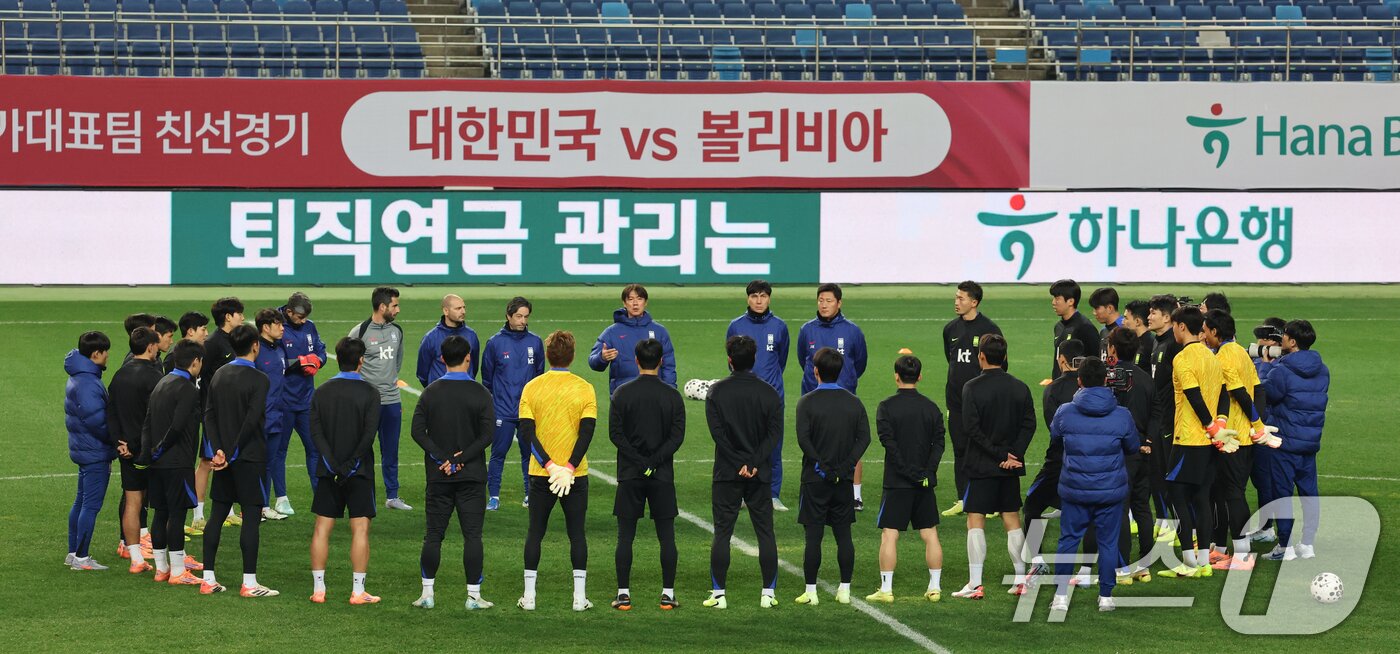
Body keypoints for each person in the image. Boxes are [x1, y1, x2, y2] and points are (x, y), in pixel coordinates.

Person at [409, 335, 496, 611]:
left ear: (442, 359)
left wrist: (443, 458)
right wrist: (462, 459)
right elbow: (487, 435)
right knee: (473, 536)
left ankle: (427, 595)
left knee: (433, 535)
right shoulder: (480, 392)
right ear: (469, 357)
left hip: (439, 476)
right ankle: (473, 596)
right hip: (471, 476)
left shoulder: (430, 392)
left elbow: (416, 432)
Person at [1046, 357, 1139, 614]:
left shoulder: (1065, 411)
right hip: (1109, 489)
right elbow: (1132, 447)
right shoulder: (1122, 415)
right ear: (1106, 380)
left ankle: (1061, 596)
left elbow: (1055, 437)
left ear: (1079, 381)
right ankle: (1106, 596)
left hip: (1075, 487)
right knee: (1108, 543)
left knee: (1068, 540)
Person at [517, 331, 598, 612]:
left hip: (541, 475)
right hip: (575, 475)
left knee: (535, 533)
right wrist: (569, 467)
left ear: (547, 355)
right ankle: (579, 598)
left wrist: (550, 467)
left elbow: (527, 433)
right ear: (573, 356)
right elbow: (586, 433)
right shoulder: (585, 387)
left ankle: (529, 598)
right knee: (577, 534)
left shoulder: (532, 387)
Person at [703, 335, 784, 610]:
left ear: (729, 361)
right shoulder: (770, 393)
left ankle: (718, 595)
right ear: (754, 359)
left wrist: (739, 462)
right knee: (765, 533)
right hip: (759, 474)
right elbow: (774, 436)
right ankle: (768, 594)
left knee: (722, 532)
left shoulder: (716, 392)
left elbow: (718, 435)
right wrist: (753, 462)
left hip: (727, 471)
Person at [952, 334, 1035, 600]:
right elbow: (1029, 424)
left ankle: (975, 584)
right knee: (1011, 519)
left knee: (975, 520)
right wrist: (1014, 454)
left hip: (982, 465)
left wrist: (998, 454)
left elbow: (972, 430)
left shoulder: (971, 387)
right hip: (1009, 467)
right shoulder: (1020, 387)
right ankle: (1021, 579)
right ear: (1005, 357)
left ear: (981, 357)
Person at [1157, 307, 1236, 579]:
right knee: (1202, 496)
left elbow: (1192, 395)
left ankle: (1189, 562)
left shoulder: (1182, 358)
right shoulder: (1212, 356)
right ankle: (1203, 561)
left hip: (1188, 438)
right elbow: (1224, 393)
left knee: (1175, 494)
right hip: (1209, 441)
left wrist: (1209, 424)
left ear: (1180, 327)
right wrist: (1220, 424)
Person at [608, 339, 686, 611]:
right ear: (661, 361)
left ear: (637, 360)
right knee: (666, 536)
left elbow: (616, 435)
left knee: (625, 536)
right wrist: (654, 461)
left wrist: (640, 461)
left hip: (630, 474)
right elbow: (677, 437)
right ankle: (667, 594)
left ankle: (624, 594)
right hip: (662, 474)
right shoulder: (672, 395)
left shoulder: (621, 393)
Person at [308, 337, 387, 606]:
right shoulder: (370, 392)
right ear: (361, 360)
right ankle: (358, 591)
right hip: (359, 471)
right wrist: (351, 464)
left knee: (322, 528)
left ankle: (319, 589)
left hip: (328, 470)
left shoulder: (322, 391)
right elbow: (369, 434)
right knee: (360, 529)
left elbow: (315, 432)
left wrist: (332, 464)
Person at [202, 324, 277, 597]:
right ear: (255, 345)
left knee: (217, 515)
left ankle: (208, 578)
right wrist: (232, 453)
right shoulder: (259, 379)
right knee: (251, 516)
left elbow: (208, 415)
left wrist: (218, 450)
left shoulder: (219, 374)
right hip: (248, 457)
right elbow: (251, 420)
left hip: (223, 458)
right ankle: (249, 583)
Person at [1203, 310, 1279, 572]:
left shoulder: (1223, 357)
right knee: (1225, 492)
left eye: (1205, 331)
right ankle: (1225, 550)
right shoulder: (1241, 353)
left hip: (1232, 437)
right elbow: (1258, 389)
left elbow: (1240, 395)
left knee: (1232, 494)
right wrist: (1254, 426)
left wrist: (1256, 424)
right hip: (1243, 435)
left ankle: (1243, 555)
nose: (1204, 336)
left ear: (1214, 332)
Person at [793, 347, 871, 607]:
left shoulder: (807, 402)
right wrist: (846, 466)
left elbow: (803, 439)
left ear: (815, 371)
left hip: (815, 480)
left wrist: (821, 465)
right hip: (844, 481)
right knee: (843, 535)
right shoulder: (854, 402)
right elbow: (864, 439)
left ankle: (811, 592)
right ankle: (845, 590)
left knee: (813, 537)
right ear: (840, 372)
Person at [866, 354, 946, 604]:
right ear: (919, 376)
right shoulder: (931, 407)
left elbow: (889, 444)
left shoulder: (886, 407)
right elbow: (939, 443)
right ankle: (935, 588)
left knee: (890, 534)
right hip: (923, 481)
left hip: (897, 482)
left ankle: (886, 589)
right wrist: (927, 472)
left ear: (896, 376)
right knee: (930, 533)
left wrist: (908, 472)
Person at [1259, 320, 1328, 562]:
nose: (1282, 340)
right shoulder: (1323, 369)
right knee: (1309, 494)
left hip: (1284, 441)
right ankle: (1307, 544)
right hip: (1309, 441)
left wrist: (1266, 367)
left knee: (1282, 494)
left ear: (1293, 342)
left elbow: (1267, 395)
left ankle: (1285, 546)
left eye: (1285, 336)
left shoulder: (1282, 370)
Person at [797, 283, 870, 510]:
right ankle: (811, 488)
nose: (824, 304)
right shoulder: (806, 330)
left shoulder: (852, 331)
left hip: (844, 397)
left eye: (829, 301)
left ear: (839, 303)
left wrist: (845, 381)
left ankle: (855, 494)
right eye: (820, 300)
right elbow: (803, 360)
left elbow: (860, 363)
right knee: (811, 443)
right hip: (813, 397)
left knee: (850, 444)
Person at [141, 339, 206, 587]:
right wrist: (162, 449)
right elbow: (178, 426)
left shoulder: (162, 383)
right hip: (177, 462)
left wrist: (150, 452)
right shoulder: (188, 388)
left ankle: (161, 569)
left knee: (160, 513)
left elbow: (147, 422)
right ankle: (178, 571)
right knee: (177, 515)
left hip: (157, 464)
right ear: (196, 362)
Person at [1020, 340, 1083, 582]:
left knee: (1033, 506)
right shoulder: (1094, 385)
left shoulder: (1053, 390)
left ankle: (1037, 561)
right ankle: (1089, 567)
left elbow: (1053, 429)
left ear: (1062, 360)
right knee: (1087, 513)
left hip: (1058, 462)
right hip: (1089, 461)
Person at [725, 280, 791, 511]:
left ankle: (773, 494)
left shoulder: (780, 326)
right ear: (747, 299)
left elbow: (781, 360)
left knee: (774, 445)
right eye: (754, 296)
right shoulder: (735, 326)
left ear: (769, 298)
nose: (759, 300)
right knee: (744, 445)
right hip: (743, 397)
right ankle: (744, 493)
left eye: (763, 296)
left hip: (773, 397)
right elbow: (731, 361)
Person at [941, 281, 1002, 518]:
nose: (957, 302)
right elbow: (952, 360)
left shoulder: (989, 329)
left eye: (962, 299)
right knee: (959, 450)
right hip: (956, 402)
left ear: (974, 302)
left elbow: (1000, 365)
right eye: (956, 298)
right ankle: (963, 498)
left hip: (983, 403)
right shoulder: (950, 329)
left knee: (986, 449)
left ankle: (992, 502)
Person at [107, 326, 164, 573]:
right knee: (162, 504)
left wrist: (120, 444)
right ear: (151, 347)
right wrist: (139, 446)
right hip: (149, 452)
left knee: (133, 501)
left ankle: (135, 559)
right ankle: (167, 560)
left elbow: (110, 414)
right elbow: (156, 418)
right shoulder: (154, 378)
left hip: (125, 451)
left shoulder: (119, 375)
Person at [481, 297, 546, 511]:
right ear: (508, 316)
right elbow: (487, 379)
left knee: (529, 454)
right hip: (503, 410)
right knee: (498, 454)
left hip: (528, 411)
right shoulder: (495, 343)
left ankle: (530, 495)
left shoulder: (535, 342)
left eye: (526, 317)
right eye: (518, 316)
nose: (522, 321)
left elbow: (539, 376)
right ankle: (494, 497)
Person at [350, 286, 411, 511]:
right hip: (367, 404)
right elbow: (349, 365)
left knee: (391, 449)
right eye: (395, 305)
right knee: (362, 449)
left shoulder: (397, 331)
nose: (398, 309)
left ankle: (392, 496)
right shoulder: (360, 331)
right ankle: (364, 494)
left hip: (392, 401)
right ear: (382, 306)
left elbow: (397, 362)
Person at [1103, 328, 1155, 584]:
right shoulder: (1146, 378)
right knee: (1142, 507)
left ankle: (1122, 567)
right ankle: (1143, 566)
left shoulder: (1112, 378)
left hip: (1120, 452)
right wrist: (1148, 441)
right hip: (1143, 451)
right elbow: (1157, 413)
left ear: (1112, 349)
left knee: (1119, 509)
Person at [65, 331, 115, 571]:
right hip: (94, 451)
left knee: (80, 502)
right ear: (96, 354)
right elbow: (97, 421)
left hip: (83, 448)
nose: (107, 358)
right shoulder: (87, 382)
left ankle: (73, 553)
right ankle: (82, 558)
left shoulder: (80, 374)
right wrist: (116, 441)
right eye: (105, 353)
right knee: (90, 506)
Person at [194, 297, 244, 532]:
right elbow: (201, 377)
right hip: (214, 411)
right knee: (207, 460)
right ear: (228, 317)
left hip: (233, 411)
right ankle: (198, 514)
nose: (242, 318)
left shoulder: (234, 340)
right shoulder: (213, 343)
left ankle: (229, 511)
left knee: (229, 458)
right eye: (239, 314)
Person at [279, 292, 327, 510]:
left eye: (306, 317)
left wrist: (318, 360)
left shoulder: (310, 326)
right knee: (280, 451)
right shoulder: (276, 327)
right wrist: (299, 363)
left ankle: (320, 496)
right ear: (289, 312)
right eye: (299, 317)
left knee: (315, 449)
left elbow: (320, 350)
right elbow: (273, 360)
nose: (303, 321)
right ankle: (281, 498)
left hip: (307, 400)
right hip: (283, 401)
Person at [588, 283, 677, 395]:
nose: (635, 303)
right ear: (624, 303)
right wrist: (602, 358)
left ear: (645, 302)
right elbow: (593, 363)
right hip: (623, 396)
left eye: (639, 299)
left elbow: (668, 365)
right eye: (630, 299)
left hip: (654, 394)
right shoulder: (612, 332)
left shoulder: (659, 331)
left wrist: (670, 391)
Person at [1246, 317, 1287, 544]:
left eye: (1261, 339)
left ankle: (1267, 528)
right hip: (1261, 427)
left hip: (1269, 428)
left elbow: (1262, 391)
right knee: (1260, 478)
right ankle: (1267, 527)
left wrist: (1262, 365)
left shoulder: (1277, 365)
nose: (1257, 344)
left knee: (1265, 480)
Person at [1145, 294, 1181, 540]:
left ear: (1167, 317)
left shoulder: (1173, 345)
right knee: (1157, 474)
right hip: (1158, 419)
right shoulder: (1157, 343)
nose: (1149, 317)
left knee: (1172, 476)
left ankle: (1181, 526)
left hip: (1170, 420)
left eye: (1153, 313)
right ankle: (1167, 522)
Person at [253, 308, 290, 522]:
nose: (283, 328)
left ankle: (264, 506)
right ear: (266, 327)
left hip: (278, 416)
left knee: (269, 462)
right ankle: (253, 506)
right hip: (260, 418)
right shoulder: (256, 350)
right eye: (279, 324)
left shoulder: (279, 348)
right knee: (256, 463)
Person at [417, 293, 481, 387]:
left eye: (464, 307)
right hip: (440, 395)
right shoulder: (430, 338)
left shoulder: (472, 335)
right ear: (446, 311)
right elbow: (422, 373)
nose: (463, 311)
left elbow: (474, 367)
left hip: (465, 393)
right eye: (458, 308)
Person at [1047, 279, 1100, 383]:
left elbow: (1095, 361)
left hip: (1077, 390)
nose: (1053, 302)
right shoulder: (1059, 326)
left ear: (1070, 301)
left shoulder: (1085, 327)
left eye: (1057, 299)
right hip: (1059, 386)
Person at [1088, 287, 1124, 358]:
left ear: (1109, 308)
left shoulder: (1124, 329)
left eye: (1097, 308)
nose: (1094, 313)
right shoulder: (1103, 331)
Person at [1122, 300, 1155, 374]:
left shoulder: (1150, 344)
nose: (1122, 322)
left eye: (1126, 318)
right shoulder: (1133, 341)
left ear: (1137, 321)